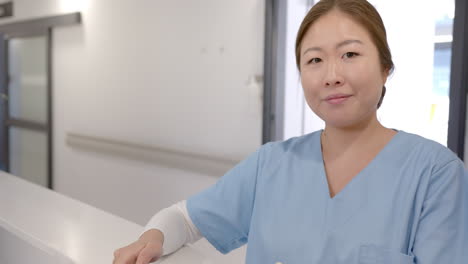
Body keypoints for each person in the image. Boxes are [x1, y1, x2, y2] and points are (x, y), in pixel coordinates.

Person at [113, 0, 467, 263]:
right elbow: (184, 218)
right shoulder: (272, 164)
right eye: (314, 60)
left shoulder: (436, 175)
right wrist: (154, 236)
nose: (331, 75)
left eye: (350, 54)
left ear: (385, 67)